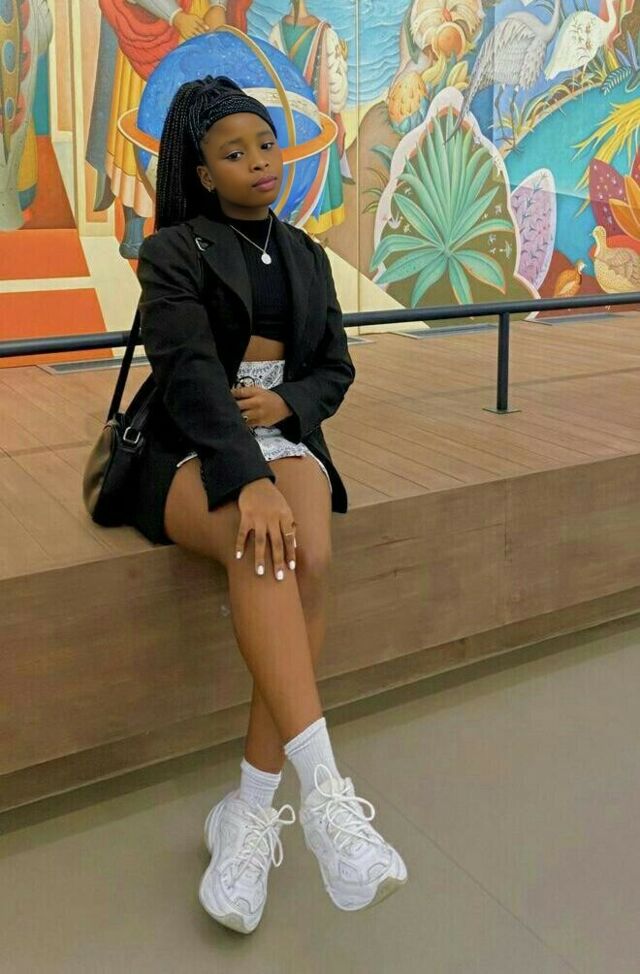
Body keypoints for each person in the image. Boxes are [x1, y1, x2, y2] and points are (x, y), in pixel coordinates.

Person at [132, 75, 407, 934]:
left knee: (311, 555)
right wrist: (245, 474)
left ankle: (248, 811)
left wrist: (287, 404)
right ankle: (325, 800)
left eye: (266, 145)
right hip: (196, 436)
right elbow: (185, 372)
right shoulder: (173, 250)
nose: (258, 162)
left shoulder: (306, 255)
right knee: (264, 546)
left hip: (282, 430)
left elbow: (335, 369)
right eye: (234, 152)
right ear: (203, 173)